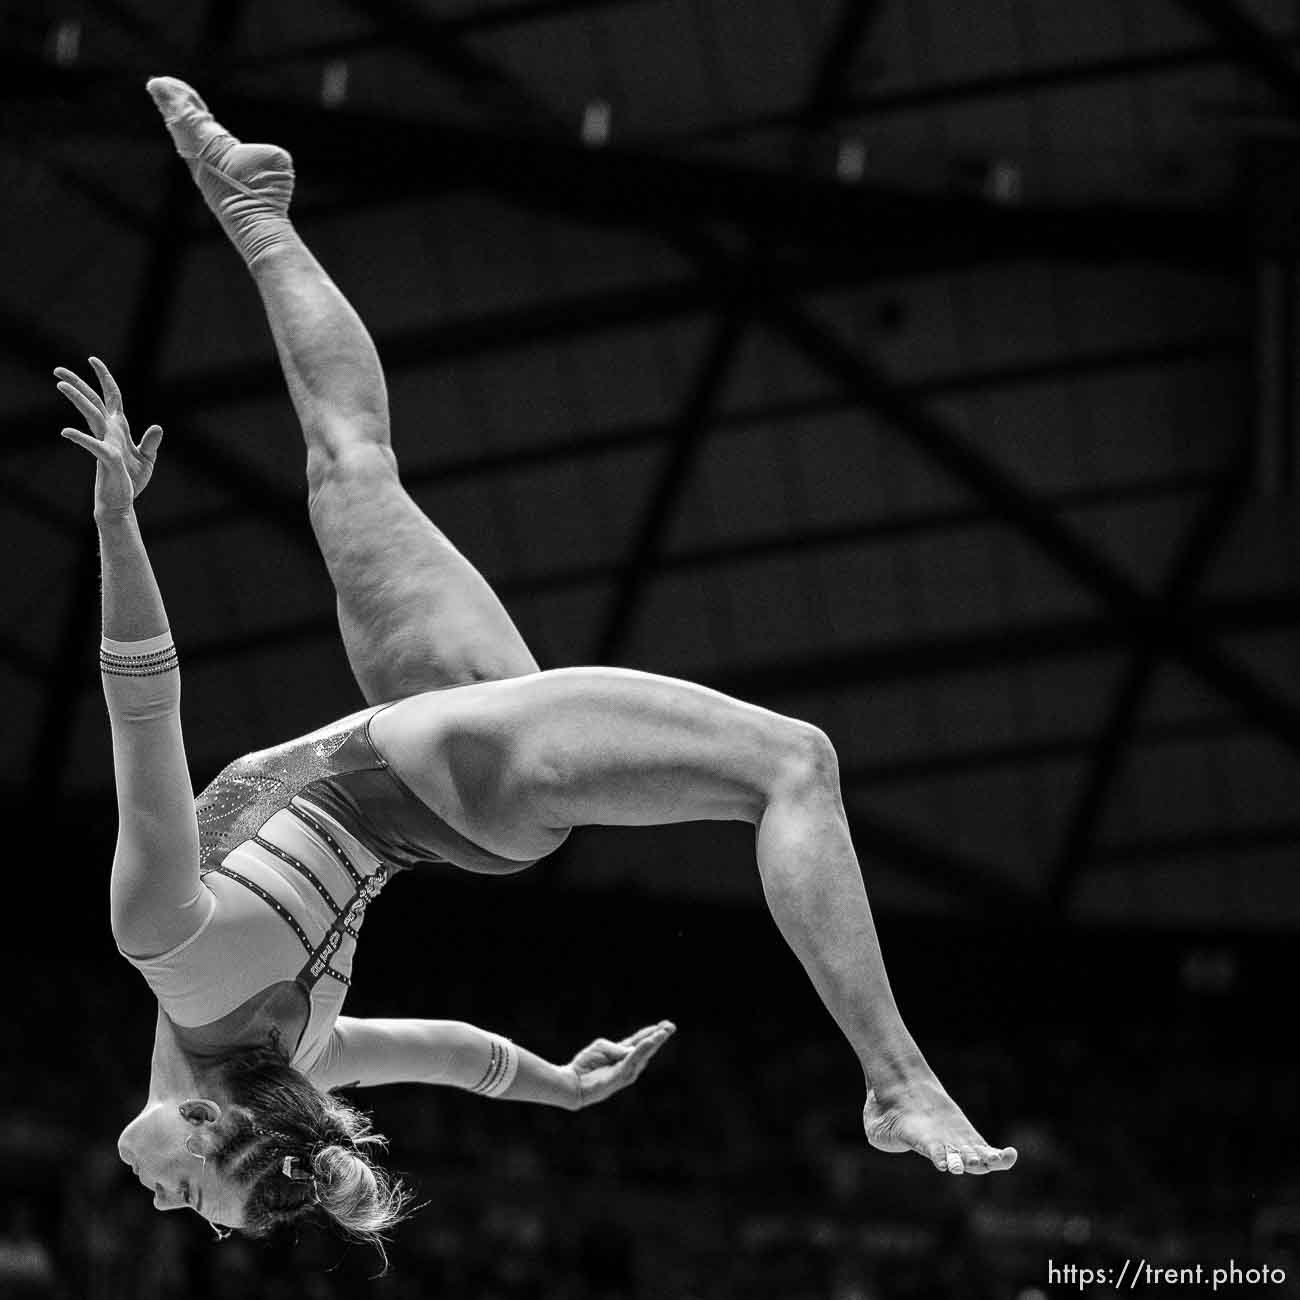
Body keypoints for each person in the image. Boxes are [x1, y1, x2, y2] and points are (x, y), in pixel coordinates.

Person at [59, 75, 1016, 1258]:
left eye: (197, 1212)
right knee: (791, 763)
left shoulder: (269, 1035)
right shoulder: (167, 944)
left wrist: (559, 1088)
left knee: (352, 467)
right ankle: (895, 1078)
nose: (166, 1208)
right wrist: (116, 524)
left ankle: (254, 206)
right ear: (208, 1123)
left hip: (433, 763)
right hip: (459, 770)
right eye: (193, 1202)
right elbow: (142, 697)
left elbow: (458, 1054)